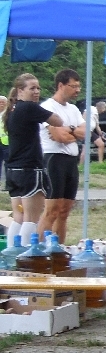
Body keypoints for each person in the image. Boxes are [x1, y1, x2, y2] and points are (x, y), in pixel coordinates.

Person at [4, 74, 66, 246]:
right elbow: (58, 121)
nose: (37, 91)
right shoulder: (30, 107)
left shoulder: (13, 109)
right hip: (30, 169)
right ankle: (26, 255)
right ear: (20, 91)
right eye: (32, 88)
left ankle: (11, 253)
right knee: (31, 218)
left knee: (18, 216)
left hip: (13, 170)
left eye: (38, 88)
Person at [37, 68, 87, 243]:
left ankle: (59, 249)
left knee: (64, 211)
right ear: (61, 85)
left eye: (79, 87)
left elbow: (85, 132)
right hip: (54, 158)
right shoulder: (48, 107)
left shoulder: (73, 109)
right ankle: (39, 250)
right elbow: (59, 137)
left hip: (71, 160)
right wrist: (74, 132)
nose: (77, 90)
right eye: (73, 86)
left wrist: (70, 130)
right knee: (52, 210)